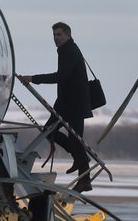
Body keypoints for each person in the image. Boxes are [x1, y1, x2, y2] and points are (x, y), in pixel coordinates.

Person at [21, 22, 94, 191]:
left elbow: (61, 76)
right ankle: (80, 160)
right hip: (66, 102)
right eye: (54, 35)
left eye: (59, 35)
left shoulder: (70, 51)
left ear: (68, 35)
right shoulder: (66, 50)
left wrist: (33, 78)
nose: (56, 38)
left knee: (71, 138)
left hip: (74, 103)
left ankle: (84, 178)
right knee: (51, 131)